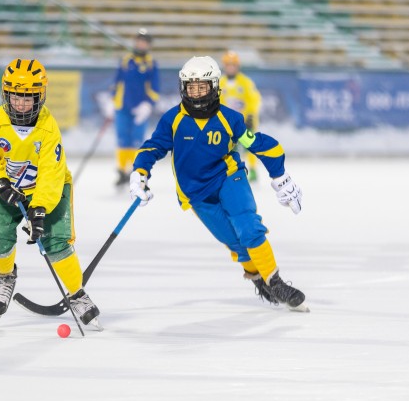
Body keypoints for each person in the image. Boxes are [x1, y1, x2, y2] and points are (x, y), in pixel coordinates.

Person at [129, 56, 307, 311]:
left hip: (228, 177)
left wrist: (281, 177)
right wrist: (140, 172)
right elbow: (153, 147)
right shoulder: (172, 119)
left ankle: (275, 282)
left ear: (213, 87)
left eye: (202, 87)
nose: (196, 94)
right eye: (191, 88)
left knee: (248, 227)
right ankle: (259, 278)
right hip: (195, 193)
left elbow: (258, 144)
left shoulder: (229, 118)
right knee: (235, 243)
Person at [0, 58, 102, 329]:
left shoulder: (48, 128)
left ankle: (77, 293)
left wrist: (40, 208)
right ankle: (5, 276)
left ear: (40, 97)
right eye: (15, 97)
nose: (21, 105)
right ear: (5, 95)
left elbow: (51, 173)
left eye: (28, 98)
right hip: (8, 188)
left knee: (56, 243)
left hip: (49, 189)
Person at [100, 28, 160, 188]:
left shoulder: (151, 64)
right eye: (139, 41)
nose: (141, 44)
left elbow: (155, 89)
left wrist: (148, 105)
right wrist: (112, 100)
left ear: (149, 45)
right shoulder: (126, 60)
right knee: (122, 139)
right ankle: (121, 170)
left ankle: (134, 171)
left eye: (144, 42)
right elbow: (117, 82)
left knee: (137, 140)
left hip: (140, 109)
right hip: (122, 107)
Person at [219, 50, 262, 182]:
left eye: (233, 65)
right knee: (230, 147)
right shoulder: (221, 83)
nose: (231, 68)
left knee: (250, 145)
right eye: (228, 65)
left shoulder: (245, 82)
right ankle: (232, 170)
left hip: (245, 120)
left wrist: (250, 116)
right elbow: (218, 102)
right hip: (229, 121)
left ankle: (253, 169)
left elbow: (254, 99)